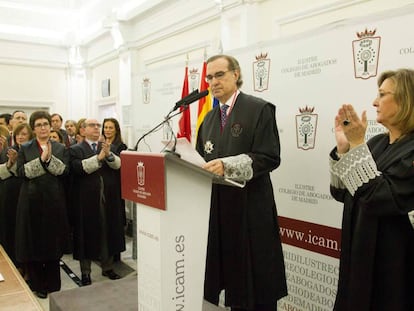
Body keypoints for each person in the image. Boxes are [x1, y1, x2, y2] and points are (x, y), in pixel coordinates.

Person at [196, 54, 287, 311]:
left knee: (257, 288)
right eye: (209, 77)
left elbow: (269, 156)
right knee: (231, 286)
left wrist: (228, 166)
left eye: (219, 75)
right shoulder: (208, 120)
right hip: (219, 213)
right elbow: (201, 160)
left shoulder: (259, 109)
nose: (214, 81)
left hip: (251, 212)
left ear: (236, 74)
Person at [329, 68, 414, 310]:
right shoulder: (376, 143)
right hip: (359, 256)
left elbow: (380, 198)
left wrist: (357, 145)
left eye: (383, 95)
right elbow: (341, 192)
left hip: (392, 266)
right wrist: (344, 149)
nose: (375, 102)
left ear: (406, 99)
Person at [15, 111, 69, 299]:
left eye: (46, 124)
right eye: (38, 125)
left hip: (54, 201)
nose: (43, 127)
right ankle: (39, 285)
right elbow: (21, 172)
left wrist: (49, 159)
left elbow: (64, 171)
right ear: (33, 128)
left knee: (53, 245)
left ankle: (54, 285)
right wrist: (40, 160)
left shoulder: (61, 147)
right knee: (34, 245)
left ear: (50, 126)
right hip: (31, 202)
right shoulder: (25, 148)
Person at [69, 118, 125, 286]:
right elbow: (78, 168)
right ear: (83, 130)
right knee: (85, 235)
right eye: (92, 126)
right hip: (86, 200)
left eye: (97, 125)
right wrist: (99, 158)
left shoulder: (108, 147)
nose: (96, 128)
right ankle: (85, 273)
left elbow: (118, 165)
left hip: (107, 197)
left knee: (107, 231)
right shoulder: (75, 149)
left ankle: (107, 268)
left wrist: (108, 155)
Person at [0, 123, 34, 269]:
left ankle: (27, 268)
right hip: (10, 196)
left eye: (24, 134)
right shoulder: (8, 150)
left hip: (28, 194)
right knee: (11, 231)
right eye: (18, 134)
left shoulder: (33, 151)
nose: (20, 137)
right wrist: (10, 162)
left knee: (27, 233)